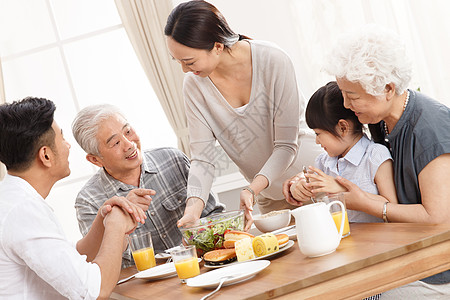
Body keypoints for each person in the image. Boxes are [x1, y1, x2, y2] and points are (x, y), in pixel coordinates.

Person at [164, 0, 322, 229]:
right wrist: (192, 211)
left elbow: (286, 145)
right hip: (269, 196)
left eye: (188, 61)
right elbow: (203, 159)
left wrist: (251, 188)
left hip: (310, 182)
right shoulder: (194, 86)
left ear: (217, 46)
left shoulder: (273, 60)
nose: (184, 70)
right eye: (177, 61)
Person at [324, 25, 450, 298]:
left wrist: (367, 204)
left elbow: (438, 217)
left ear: (388, 88)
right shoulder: (380, 123)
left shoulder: (429, 128)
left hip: (439, 271)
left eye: (352, 95)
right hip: (408, 257)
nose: (345, 104)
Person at [0, 97, 146, 299]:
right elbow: (95, 291)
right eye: (62, 138)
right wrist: (116, 226)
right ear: (46, 156)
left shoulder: (14, 200)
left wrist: (102, 222)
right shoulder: (23, 211)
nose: (68, 146)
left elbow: (72, 257)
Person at [72, 104, 224, 268]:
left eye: (128, 131)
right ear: (95, 159)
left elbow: (214, 215)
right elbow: (100, 265)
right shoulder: (89, 200)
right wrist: (120, 220)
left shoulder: (173, 160)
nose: (129, 144)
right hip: (145, 289)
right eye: (116, 142)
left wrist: (198, 234)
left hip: (201, 268)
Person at [286, 81, 397, 223]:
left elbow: (392, 206)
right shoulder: (323, 162)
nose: (317, 141)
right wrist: (299, 188)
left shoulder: (375, 156)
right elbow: (307, 185)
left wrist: (341, 190)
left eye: (318, 134)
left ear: (343, 127)